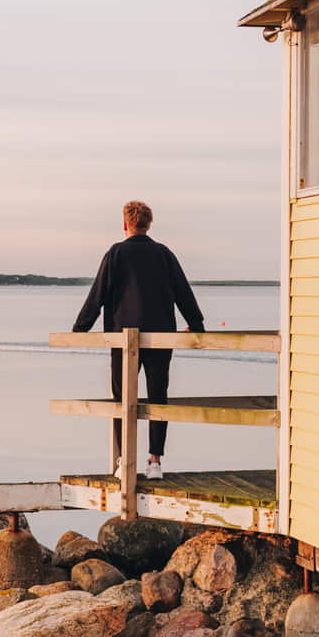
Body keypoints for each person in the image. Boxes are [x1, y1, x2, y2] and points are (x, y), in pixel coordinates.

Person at [73, 200, 204, 481]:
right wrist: (196, 324)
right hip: (160, 336)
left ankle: (123, 461)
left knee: (122, 399)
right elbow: (183, 291)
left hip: (123, 337)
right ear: (149, 224)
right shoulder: (163, 253)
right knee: (158, 396)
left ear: (125, 224)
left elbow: (98, 294)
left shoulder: (116, 253)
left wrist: (80, 328)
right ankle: (155, 461)